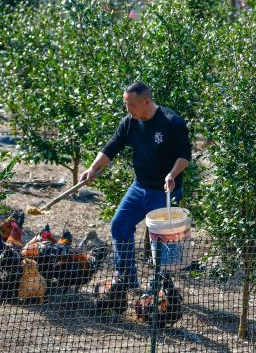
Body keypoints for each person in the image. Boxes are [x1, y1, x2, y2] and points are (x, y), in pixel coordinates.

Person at [79, 81, 191, 290]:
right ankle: (126, 280)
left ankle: (160, 289)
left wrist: (172, 174)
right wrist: (92, 169)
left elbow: (184, 156)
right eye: (125, 104)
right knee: (119, 225)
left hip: (165, 192)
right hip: (139, 188)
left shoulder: (172, 122)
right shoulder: (130, 122)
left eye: (131, 104)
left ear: (146, 101)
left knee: (164, 242)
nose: (127, 109)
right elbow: (111, 147)